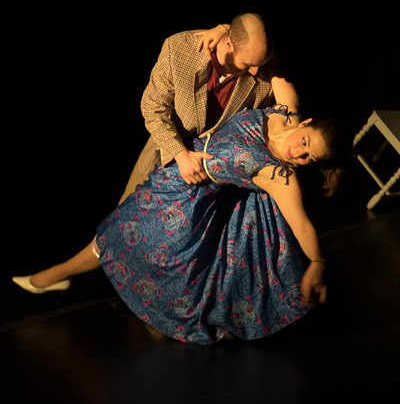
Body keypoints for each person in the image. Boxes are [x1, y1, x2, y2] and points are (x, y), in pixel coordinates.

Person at [12, 103, 352, 345]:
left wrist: (317, 262)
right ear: (305, 123)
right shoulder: (284, 112)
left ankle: (52, 277)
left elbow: (302, 225)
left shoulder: (280, 176)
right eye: (305, 142)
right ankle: (56, 278)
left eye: (309, 158)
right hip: (175, 176)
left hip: (190, 203)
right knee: (116, 231)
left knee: (123, 237)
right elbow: (270, 58)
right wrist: (221, 31)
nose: (298, 153)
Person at [117, 12, 300, 203]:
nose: (255, 71)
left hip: (212, 185)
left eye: (259, 65)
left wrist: (225, 27)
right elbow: (152, 106)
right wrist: (180, 154)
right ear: (228, 44)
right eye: (248, 64)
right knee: (123, 217)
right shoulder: (179, 48)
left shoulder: (262, 77)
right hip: (162, 157)